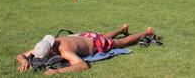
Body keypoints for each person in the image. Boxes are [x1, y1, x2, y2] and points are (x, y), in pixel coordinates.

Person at [15, 24, 156, 74]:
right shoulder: (44, 45)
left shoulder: (64, 50)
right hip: (84, 36)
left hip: (94, 43)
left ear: (51, 50)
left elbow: (83, 65)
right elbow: (20, 55)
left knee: (120, 43)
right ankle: (122, 28)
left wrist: (58, 71)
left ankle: (147, 32)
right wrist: (24, 62)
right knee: (104, 36)